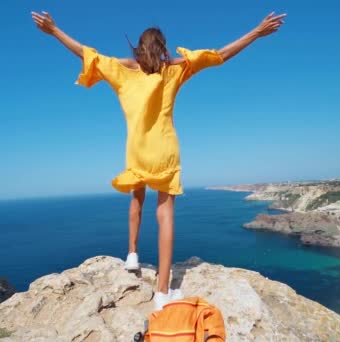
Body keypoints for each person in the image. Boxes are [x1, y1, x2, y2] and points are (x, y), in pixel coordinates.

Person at [31, 8, 285, 311]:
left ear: (138, 48)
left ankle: (132, 254)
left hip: (137, 150)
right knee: (165, 215)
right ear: (162, 48)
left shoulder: (123, 70)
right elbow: (220, 55)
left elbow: (87, 54)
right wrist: (256, 32)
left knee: (136, 197)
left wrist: (55, 31)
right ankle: (163, 292)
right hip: (165, 151)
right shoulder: (174, 69)